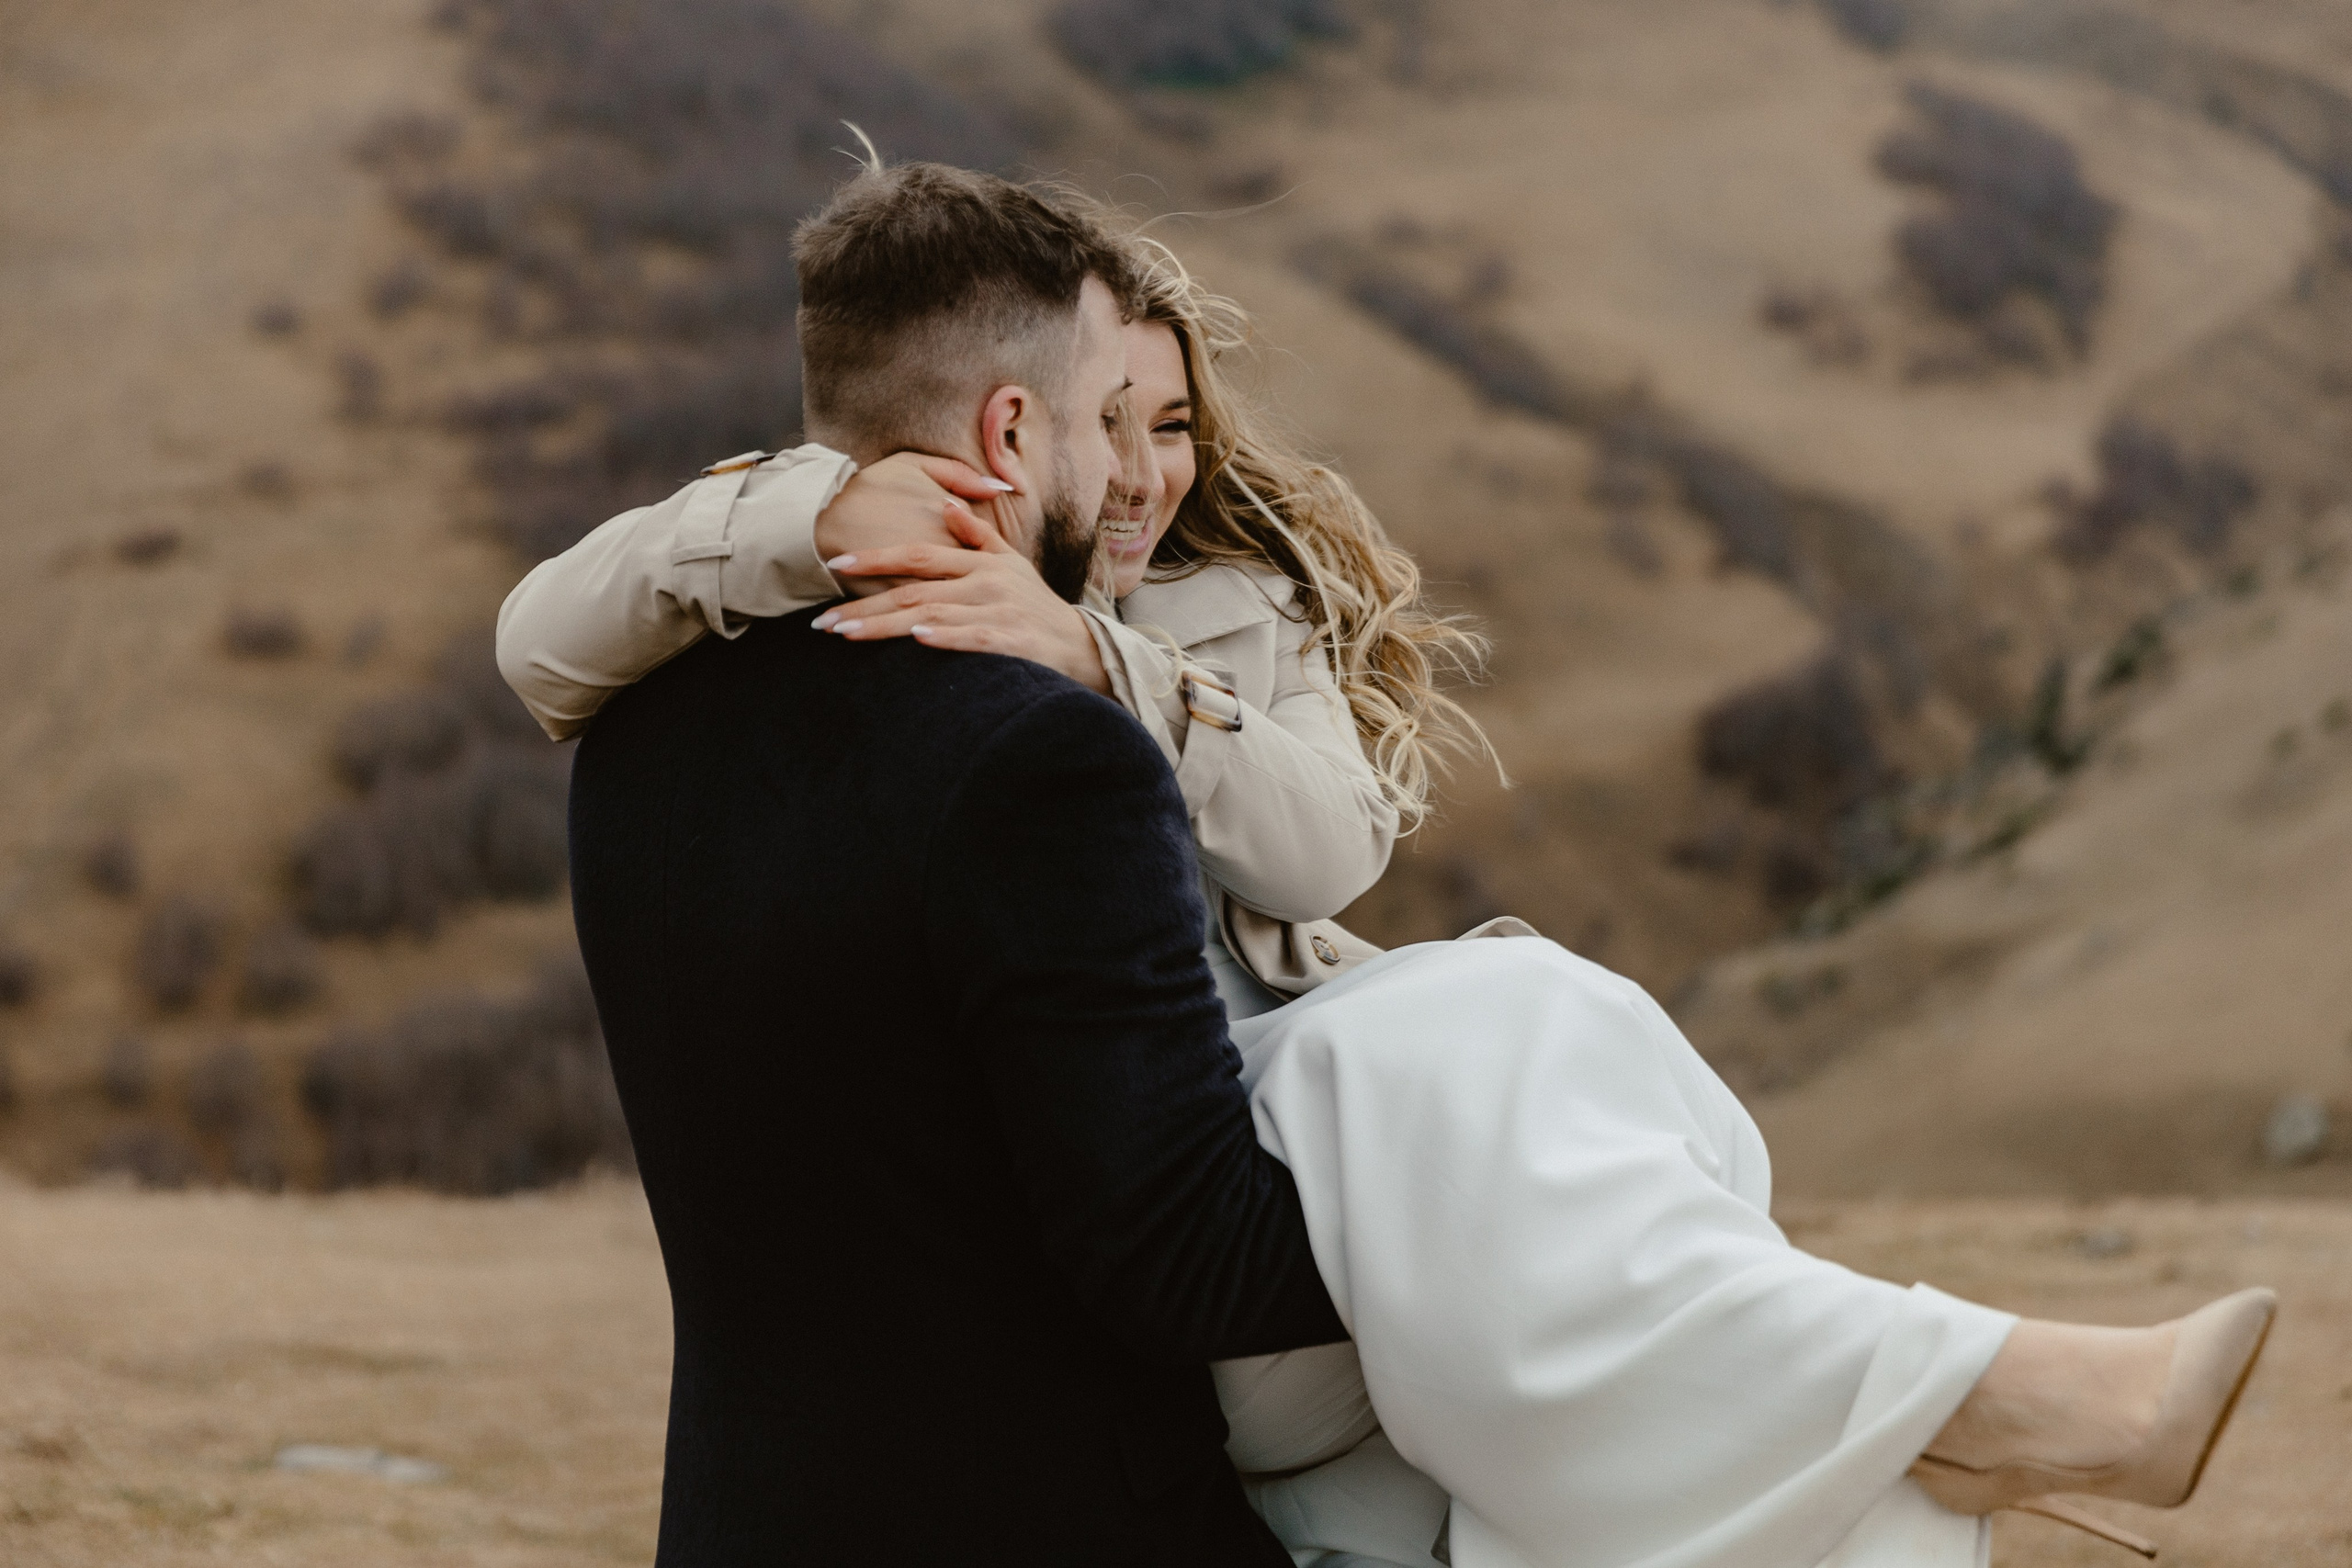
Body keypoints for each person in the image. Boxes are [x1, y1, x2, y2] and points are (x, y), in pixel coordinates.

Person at [539, 160, 2278, 1568]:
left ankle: (1938, 1411)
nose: (1138, 468)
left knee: (1505, 1080)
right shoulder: (984, 733)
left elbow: (1318, 847)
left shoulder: (658, 735)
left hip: (788, 1473)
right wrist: (827, 513)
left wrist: (1104, 663)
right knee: (1509, 1042)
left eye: (1168, 423)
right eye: (1098, 416)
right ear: (1011, 434)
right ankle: (1984, 1400)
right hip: (1144, 1376)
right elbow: (1176, 1255)